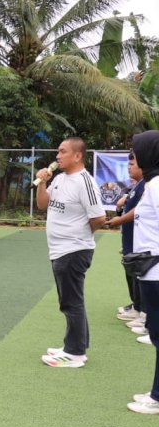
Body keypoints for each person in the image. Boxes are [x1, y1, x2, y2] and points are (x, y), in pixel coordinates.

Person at [36, 137, 105, 368]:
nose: (57, 156)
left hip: (74, 250)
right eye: (58, 151)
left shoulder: (84, 182)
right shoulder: (59, 178)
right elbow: (43, 205)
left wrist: (80, 236)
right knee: (70, 300)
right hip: (59, 250)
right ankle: (74, 345)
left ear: (77, 156)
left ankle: (75, 354)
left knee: (71, 302)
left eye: (63, 151)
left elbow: (99, 218)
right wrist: (42, 183)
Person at [127, 131, 159, 413]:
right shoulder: (152, 183)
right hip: (150, 270)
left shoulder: (158, 185)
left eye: (138, 151)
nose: (135, 156)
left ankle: (158, 397)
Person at [108, 154, 145, 328]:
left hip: (139, 239)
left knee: (140, 273)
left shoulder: (148, 185)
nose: (129, 167)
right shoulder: (137, 185)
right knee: (132, 271)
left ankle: (144, 312)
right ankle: (137, 307)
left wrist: (120, 220)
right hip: (130, 237)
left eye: (132, 164)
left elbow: (141, 209)